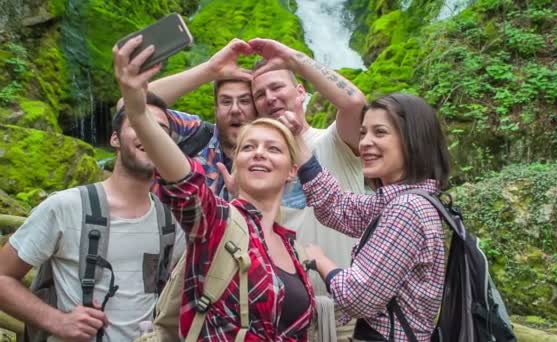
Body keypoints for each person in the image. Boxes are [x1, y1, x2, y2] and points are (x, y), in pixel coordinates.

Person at [114, 35, 315, 341]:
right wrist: (138, 109)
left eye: (272, 149)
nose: (259, 152)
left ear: (292, 171)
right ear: (235, 163)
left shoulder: (295, 248)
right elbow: (183, 181)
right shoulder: (216, 220)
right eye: (249, 147)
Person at [151, 37, 368, 295]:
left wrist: (293, 58)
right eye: (260, 95)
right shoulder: (259, 163)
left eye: (277, 87)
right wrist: (210, 70)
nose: (270, 98)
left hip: (343, 311)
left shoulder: (334, 140)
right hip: (282, 313)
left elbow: (354, 102)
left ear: (300, 92)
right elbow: (135, 108)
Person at [0, 93, 185, 341]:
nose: (150, 134)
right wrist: (57, 321)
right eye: (139, 124)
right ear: (115, 138)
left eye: (159, 129)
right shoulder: (65, 206)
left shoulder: (172, 222)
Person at [296, 93, 450, 341]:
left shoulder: (407, 209)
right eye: (363, 132)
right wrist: (300, 150)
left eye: (380, 132)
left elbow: (359, 298)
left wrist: (320, 260)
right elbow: (337, 207)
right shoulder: (400, 201)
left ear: (413, 140)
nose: (365, 142)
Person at [148, 39, 258, 200]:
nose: (235, 109)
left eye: (244, 101)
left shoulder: (271, 160)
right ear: (216, 110)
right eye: (226, 102)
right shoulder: (193, 133)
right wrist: (210, 70)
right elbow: (132, 107)